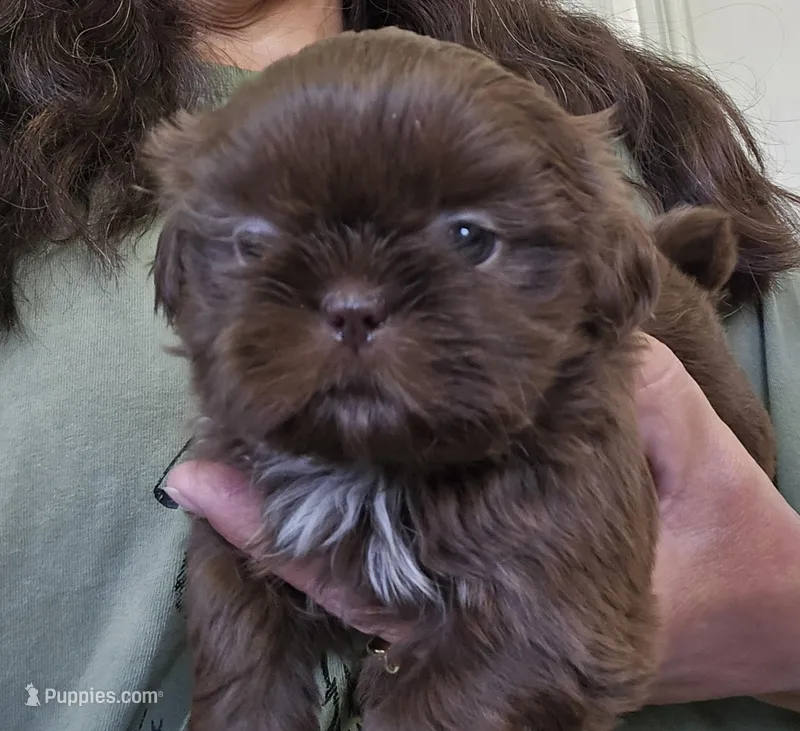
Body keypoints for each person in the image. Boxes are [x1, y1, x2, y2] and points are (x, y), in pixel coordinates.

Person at [1, 2, 797, 730]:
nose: (353, 300)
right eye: (254, 246)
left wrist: (780, 626)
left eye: (467, 239)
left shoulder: (638, 126)